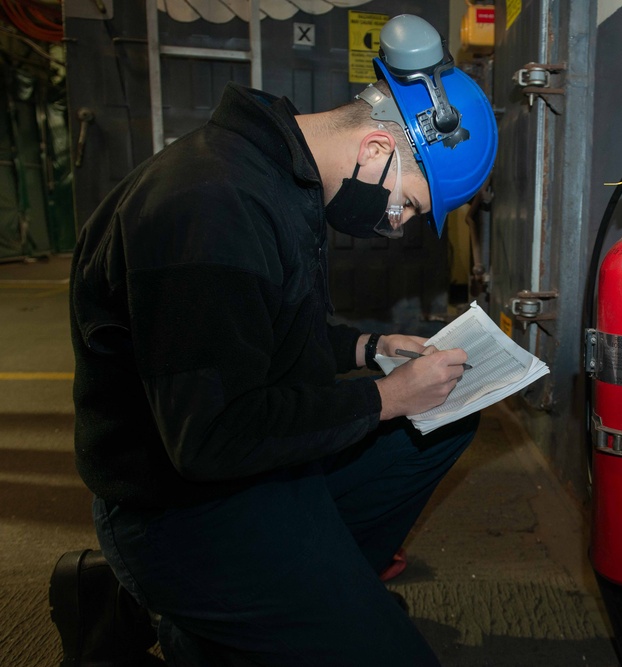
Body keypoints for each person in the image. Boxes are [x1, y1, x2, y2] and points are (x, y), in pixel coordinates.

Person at [61, 14, 497, 666]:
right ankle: (182, 615)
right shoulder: (209, 207)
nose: (395, 226)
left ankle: (301, 604)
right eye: (406, 204)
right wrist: (385, 398)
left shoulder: (277, 179)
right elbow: (212, 437)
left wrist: (368, 349)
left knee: (450, 413)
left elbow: (262, 331)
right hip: (179, 512)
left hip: (259, 474)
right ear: (376, 152)